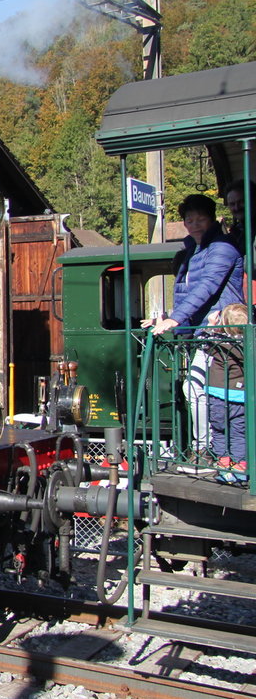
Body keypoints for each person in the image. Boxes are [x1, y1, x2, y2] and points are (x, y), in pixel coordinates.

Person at [146, 195, 244, 456]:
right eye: (190, 220)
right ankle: (212, 448)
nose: (195, 224)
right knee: (201, 390)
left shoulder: (222, 247)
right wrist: (166, 317)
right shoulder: (193, 251)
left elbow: (207, 287)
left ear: (212, 219)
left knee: (202, 390)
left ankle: (208, 449)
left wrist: (175, 319)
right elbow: (187, 295)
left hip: (222, 331)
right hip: (203, 332)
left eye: (200, 219)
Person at [205, 303, 249, 485]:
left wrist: (211, 325)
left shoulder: (219, 343)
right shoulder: (248, 344)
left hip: (218, 395)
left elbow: (203, 342)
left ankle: (224, 467)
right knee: (239, 433)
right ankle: (239, 469)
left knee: (220, 431)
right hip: (240, 397)